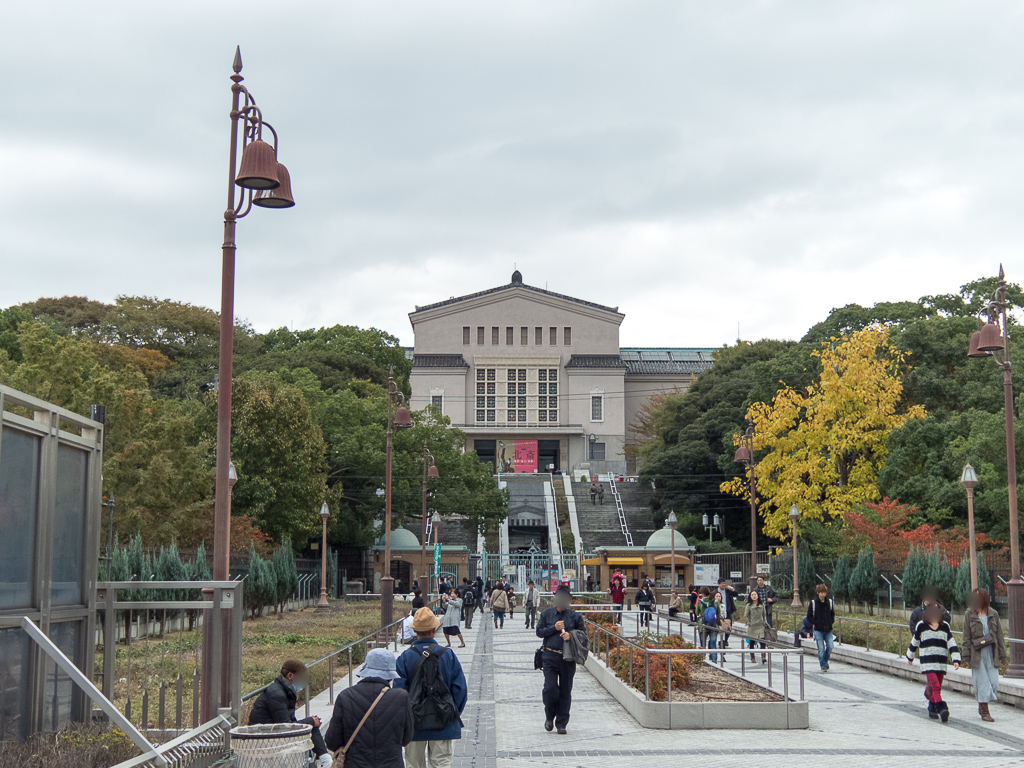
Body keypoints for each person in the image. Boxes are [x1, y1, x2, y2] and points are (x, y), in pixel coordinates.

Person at [395, 607, 468, 768]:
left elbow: (398, 693)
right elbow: (460, 690)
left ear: (415, 631)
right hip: (443, 722)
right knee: (441, 763)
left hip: (414, 724)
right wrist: (451, 712)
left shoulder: (405, 658)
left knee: (413, 764)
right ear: (434, 630)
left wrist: (405, 719)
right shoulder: (448, 655)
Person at [324, 648, 413, 768]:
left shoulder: (346, 696)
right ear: (391, 674)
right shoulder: (401, 697)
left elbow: (332, 741)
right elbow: (406, 738)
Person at [248, 660, 331, 767]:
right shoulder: (276, 694)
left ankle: (325, 759)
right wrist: (310, 721)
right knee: (311, 723)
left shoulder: (285, 690)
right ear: (290, 675)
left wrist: (310, 722)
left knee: (312, 724)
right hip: (266, 738)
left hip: (274, 733)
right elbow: (285, 726)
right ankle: (326, 760)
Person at [536, 584, 586, 734]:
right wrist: (554, 628)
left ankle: (562, 723)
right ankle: (549, 716)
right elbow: (539, 632)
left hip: (567, 658)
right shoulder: (547, 614)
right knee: (550, 689)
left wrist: (571, 635)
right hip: (549, 656)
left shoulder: (575, 616)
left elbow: (583, 635)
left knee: (565, 691)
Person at [906, 603, 961, 722]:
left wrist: (956, 659)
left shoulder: (945, 626)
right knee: (935, 686)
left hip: (941, 662)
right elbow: (915, 642)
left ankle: (932, 706)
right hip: (928, 662)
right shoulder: (921, 626)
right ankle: (942, 708)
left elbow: (951, 643)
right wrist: (910, 656)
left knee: (937, 687)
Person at [962, 587, 1006, 722]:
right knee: (982, 682)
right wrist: (966, 655)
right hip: (977, 653)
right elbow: (966, 636)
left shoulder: (993, 614)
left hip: (991, 653)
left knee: (993, 682)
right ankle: (984, 710)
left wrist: (1003, 655)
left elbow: (999, 636)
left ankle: (982, 704)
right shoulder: (969, 614)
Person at [806, 583, 835, 672]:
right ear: (818, 593)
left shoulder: (829, 602)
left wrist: (830, 621)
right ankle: (823, 665)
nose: (823, 594)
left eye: (824, 592)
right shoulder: (813, 603)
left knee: (830, 646)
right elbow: (809, 616)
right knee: (821, 649)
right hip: (818, 630)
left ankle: (824, 661)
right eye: (821, 593)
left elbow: (832, 614)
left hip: (828, 629)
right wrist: (815, 623)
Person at [696, 587, 721, 662]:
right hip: (713, 625)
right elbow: (719, 612)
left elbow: (696, 612)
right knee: (713, 645)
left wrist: (701, 614)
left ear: (702, 594)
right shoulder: (715, 602)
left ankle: (702, 660)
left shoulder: (700, 602)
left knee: (703, 645)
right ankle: (714, 661)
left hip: (703, 625)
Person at [745, 589, 768, 663]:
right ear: (750, 596)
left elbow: (764, 614)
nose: (754, 596)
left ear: (757, 596)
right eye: (752, 595)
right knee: (752, 643)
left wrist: (765, 622)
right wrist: (748, 622)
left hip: (761, 625)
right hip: (752, 626)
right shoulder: (749, 605)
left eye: (755, 594)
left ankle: (763, 657)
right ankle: (752, 657)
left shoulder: (762, 604)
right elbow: (746, 615)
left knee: (762, 642)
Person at [717, 579, 737, 647]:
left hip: (727, 611)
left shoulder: (728, 591)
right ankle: (720, 640)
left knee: (728, 626)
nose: (724, 585)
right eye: (722, 583)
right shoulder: (715, 592)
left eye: (724, 583)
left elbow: (736, 594)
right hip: (718, 611)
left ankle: (725, 640)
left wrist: (731, 588)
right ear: (718, 584)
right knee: (719, 626)